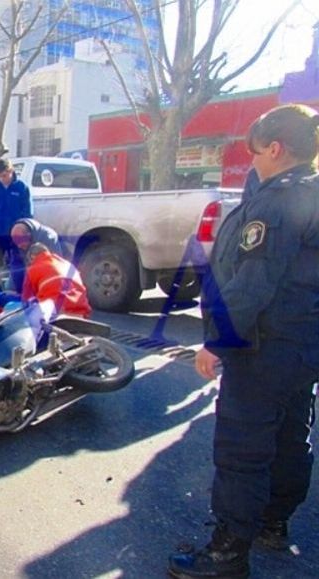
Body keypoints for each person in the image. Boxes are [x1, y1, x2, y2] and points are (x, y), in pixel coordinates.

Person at [168, 103, 319, 579]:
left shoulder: (276, 203)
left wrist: (217, 343)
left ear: (275, 149)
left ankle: (228, 551)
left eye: (255, 152)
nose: (252, 162)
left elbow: (254, 282)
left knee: (243, 448)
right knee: (292, 435)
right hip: (304, 345)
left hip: (265, 347)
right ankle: (274, 521)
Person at [0, 158, 33, 268]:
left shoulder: (22, 188)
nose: (2, 179)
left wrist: (25, 229)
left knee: (18, 263)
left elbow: (28, 212)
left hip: (17, 232)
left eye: (4, 175)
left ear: (11, 171)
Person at [21, 243, 91, 318]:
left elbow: (26, 299)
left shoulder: (33, 269)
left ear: (32, 256)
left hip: (55, 314)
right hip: (81, 313)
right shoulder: (68, 264)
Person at [9, 218, 64, 292]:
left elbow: (55, 267)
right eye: (16, 242)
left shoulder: (48, 237)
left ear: (29, 236)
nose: (19, 246)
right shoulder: (18, 240)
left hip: (48, 282)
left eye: (21, 242)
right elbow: (14, 267)